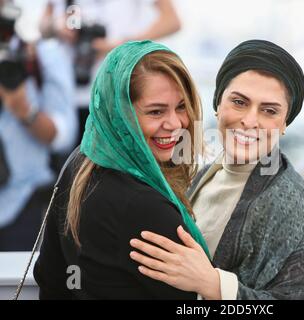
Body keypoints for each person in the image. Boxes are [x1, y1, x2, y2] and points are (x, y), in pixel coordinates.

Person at [129, 39, 304, 299]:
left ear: (284, 123)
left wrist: (213, 284)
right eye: (239, 102)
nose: (250, 121)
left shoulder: (290, 202)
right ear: (218, 104)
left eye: (269, 110)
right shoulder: (205, 175)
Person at [33, 40, 210, 299]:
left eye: (181, 106)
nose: (175, 123)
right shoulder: (144, 206)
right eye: (156, 111)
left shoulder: (80, 161)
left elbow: (51, 278)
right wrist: (216, 284)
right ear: (121, 114)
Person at [40, 0, 182, 145]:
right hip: (66, 100)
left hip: (116, 98)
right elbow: (42, 25)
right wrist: (57, 26)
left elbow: (172, 21)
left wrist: (119, 46)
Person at [0, 1, 77, 251]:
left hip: (23, 202)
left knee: (23, 287)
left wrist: (25, 110)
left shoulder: (42, 57)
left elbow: (64, 135)